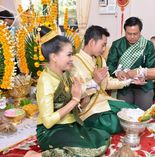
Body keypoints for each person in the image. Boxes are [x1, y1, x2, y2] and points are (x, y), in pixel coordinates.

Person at [31, 26, 111, 156]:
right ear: (54, 57)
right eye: (68, 54)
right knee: (86, 151)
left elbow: (77, 94)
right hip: (50, 131)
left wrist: (81, 102)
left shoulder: (66, 73)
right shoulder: (46, 81)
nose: (72, 58)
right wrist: (74, 100)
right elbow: (48, 121)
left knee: (101, 139)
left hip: (70, 123)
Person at [72, 25, 138, 134]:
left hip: (103, 100)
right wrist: (95, 82)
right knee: (114, 124)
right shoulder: (74, 62)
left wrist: (130, 80)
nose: (104, 49)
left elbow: (107, 83)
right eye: (103, 45)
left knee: (132, 111)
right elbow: (76, 93)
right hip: (87, 108)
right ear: (92, 42)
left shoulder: (100, 60)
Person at [106, 17, 155, 110]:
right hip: (123, 85)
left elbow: (151, 67)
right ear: (125, 31)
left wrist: (142, 76)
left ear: (140, 32)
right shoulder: (117, 44)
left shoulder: (148, 45)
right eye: (129, 34)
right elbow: (110, 64)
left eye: (135, 34)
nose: (132, 37)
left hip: (143, 85)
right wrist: (117, 72)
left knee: (142, 112)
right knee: (124, 112)